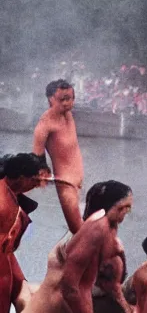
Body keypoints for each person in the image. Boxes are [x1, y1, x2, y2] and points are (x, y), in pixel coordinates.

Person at [11, 181, 133, 313]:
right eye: (124, 208)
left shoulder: (79, 232)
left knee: (27, 290)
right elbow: (103, 289)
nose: (127, 213)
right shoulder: (95, 238)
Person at [0, 154, 47, 313]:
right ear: (21, 177)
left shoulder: (12, 192)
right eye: (34, 180)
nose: (37, 185)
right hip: (2, 256)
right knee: (3, 299)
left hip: (6, 253)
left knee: (22, 292)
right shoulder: (3, 203)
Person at [32, 79, 84, 234]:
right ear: (50, 99)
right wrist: (42, 175)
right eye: (63, 99)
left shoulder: (67, 114)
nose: (68, 103)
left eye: (71, 99)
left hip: (79, 180)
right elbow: (36, 155)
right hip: (66, 183)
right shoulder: (45, 124)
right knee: (78, 230)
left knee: (83, 227)